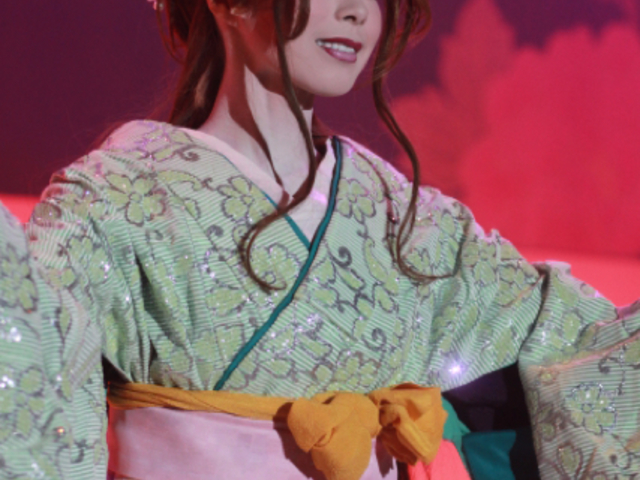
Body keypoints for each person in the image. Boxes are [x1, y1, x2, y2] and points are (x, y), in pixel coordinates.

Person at [0, 0, 639, 478]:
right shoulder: (112, 201)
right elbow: (32, 380)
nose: (359, 12)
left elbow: (575, 355)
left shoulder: (413, 223)